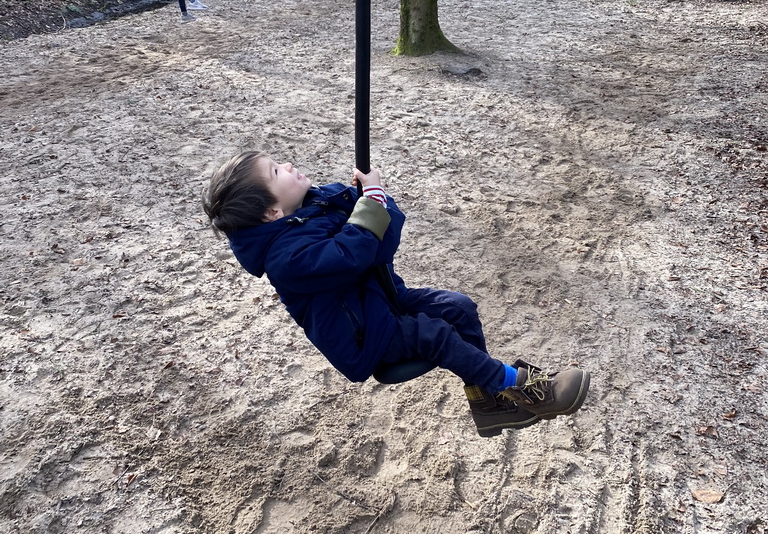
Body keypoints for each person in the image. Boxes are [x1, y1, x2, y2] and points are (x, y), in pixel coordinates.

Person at [202, 152, 590, 438]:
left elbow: (381, 245)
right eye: (275, 171)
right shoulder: (285, 258)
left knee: (458, 308)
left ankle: (489, 405)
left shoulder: (318, 205)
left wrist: (370, 198)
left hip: (386, 299)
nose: (287, 165)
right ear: (271, 212)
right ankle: (524, 390)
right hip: (368, 333)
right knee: (436, 334)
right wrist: (369, 202)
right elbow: (351, 254)